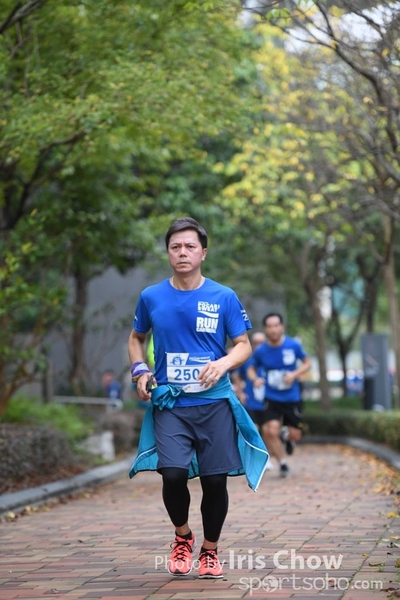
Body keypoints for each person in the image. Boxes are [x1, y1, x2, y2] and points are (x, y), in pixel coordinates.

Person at [127, 217, 269, 580]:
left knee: (215, 481)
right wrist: (140, 370)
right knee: (173, 475)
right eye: (175, 247)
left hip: (214, 404)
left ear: (203, 253)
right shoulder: (151, 296)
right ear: (168, 253)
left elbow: (243, 345)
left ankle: (210, 550)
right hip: (171, 404)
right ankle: (182, 536)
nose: (182, 253)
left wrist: (222, 363)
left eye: (190, 246)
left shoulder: (223, 296)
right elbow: (136, 338)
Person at [247, 312, 311, 478]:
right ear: (265, 329)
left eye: (276, 325)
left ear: (282, 326)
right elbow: (250, 369)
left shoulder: (293, 345)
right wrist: (255, 379)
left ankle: (287, 436)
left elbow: (307, 363)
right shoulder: (261, 351)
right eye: (270, 326)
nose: (273, 329)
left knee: (296, 435)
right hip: (272, 398)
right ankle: (282, 464)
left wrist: (294, 374)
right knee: (269, 431)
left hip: (292, 398)